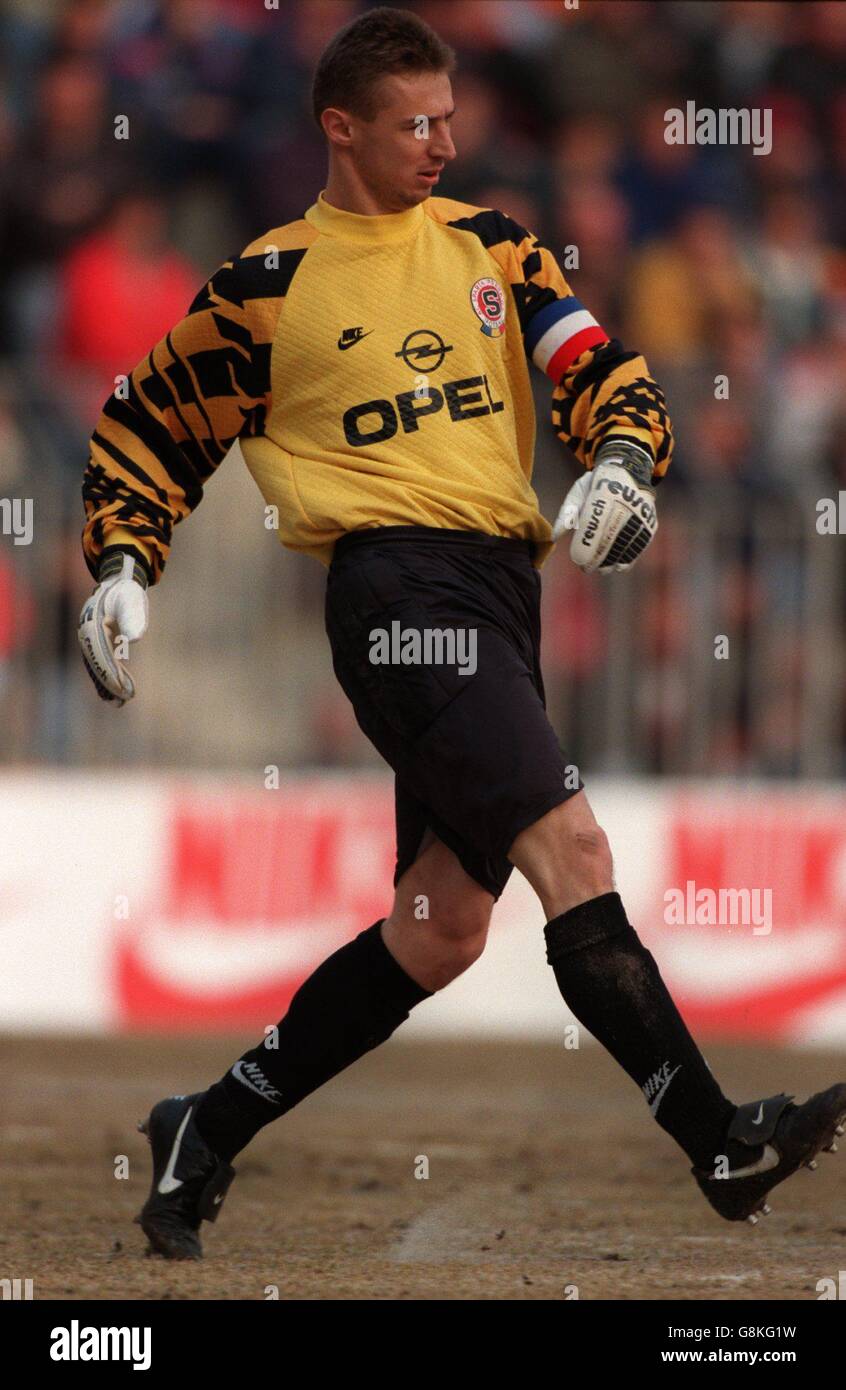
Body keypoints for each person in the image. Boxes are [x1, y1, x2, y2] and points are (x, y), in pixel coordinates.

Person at [78, 7, 844, 1261]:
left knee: (438, 928)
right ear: (341, 126)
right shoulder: (268, 285)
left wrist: (627, 460)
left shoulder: (497, 243)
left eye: (449, 118)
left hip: (501, 591)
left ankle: (200, 1126)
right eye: (415, 123)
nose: (443, 141)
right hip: (394, 596)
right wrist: (120, 560)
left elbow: (600, 367)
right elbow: (150, 427)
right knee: (573, 845)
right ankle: (720, 1142)